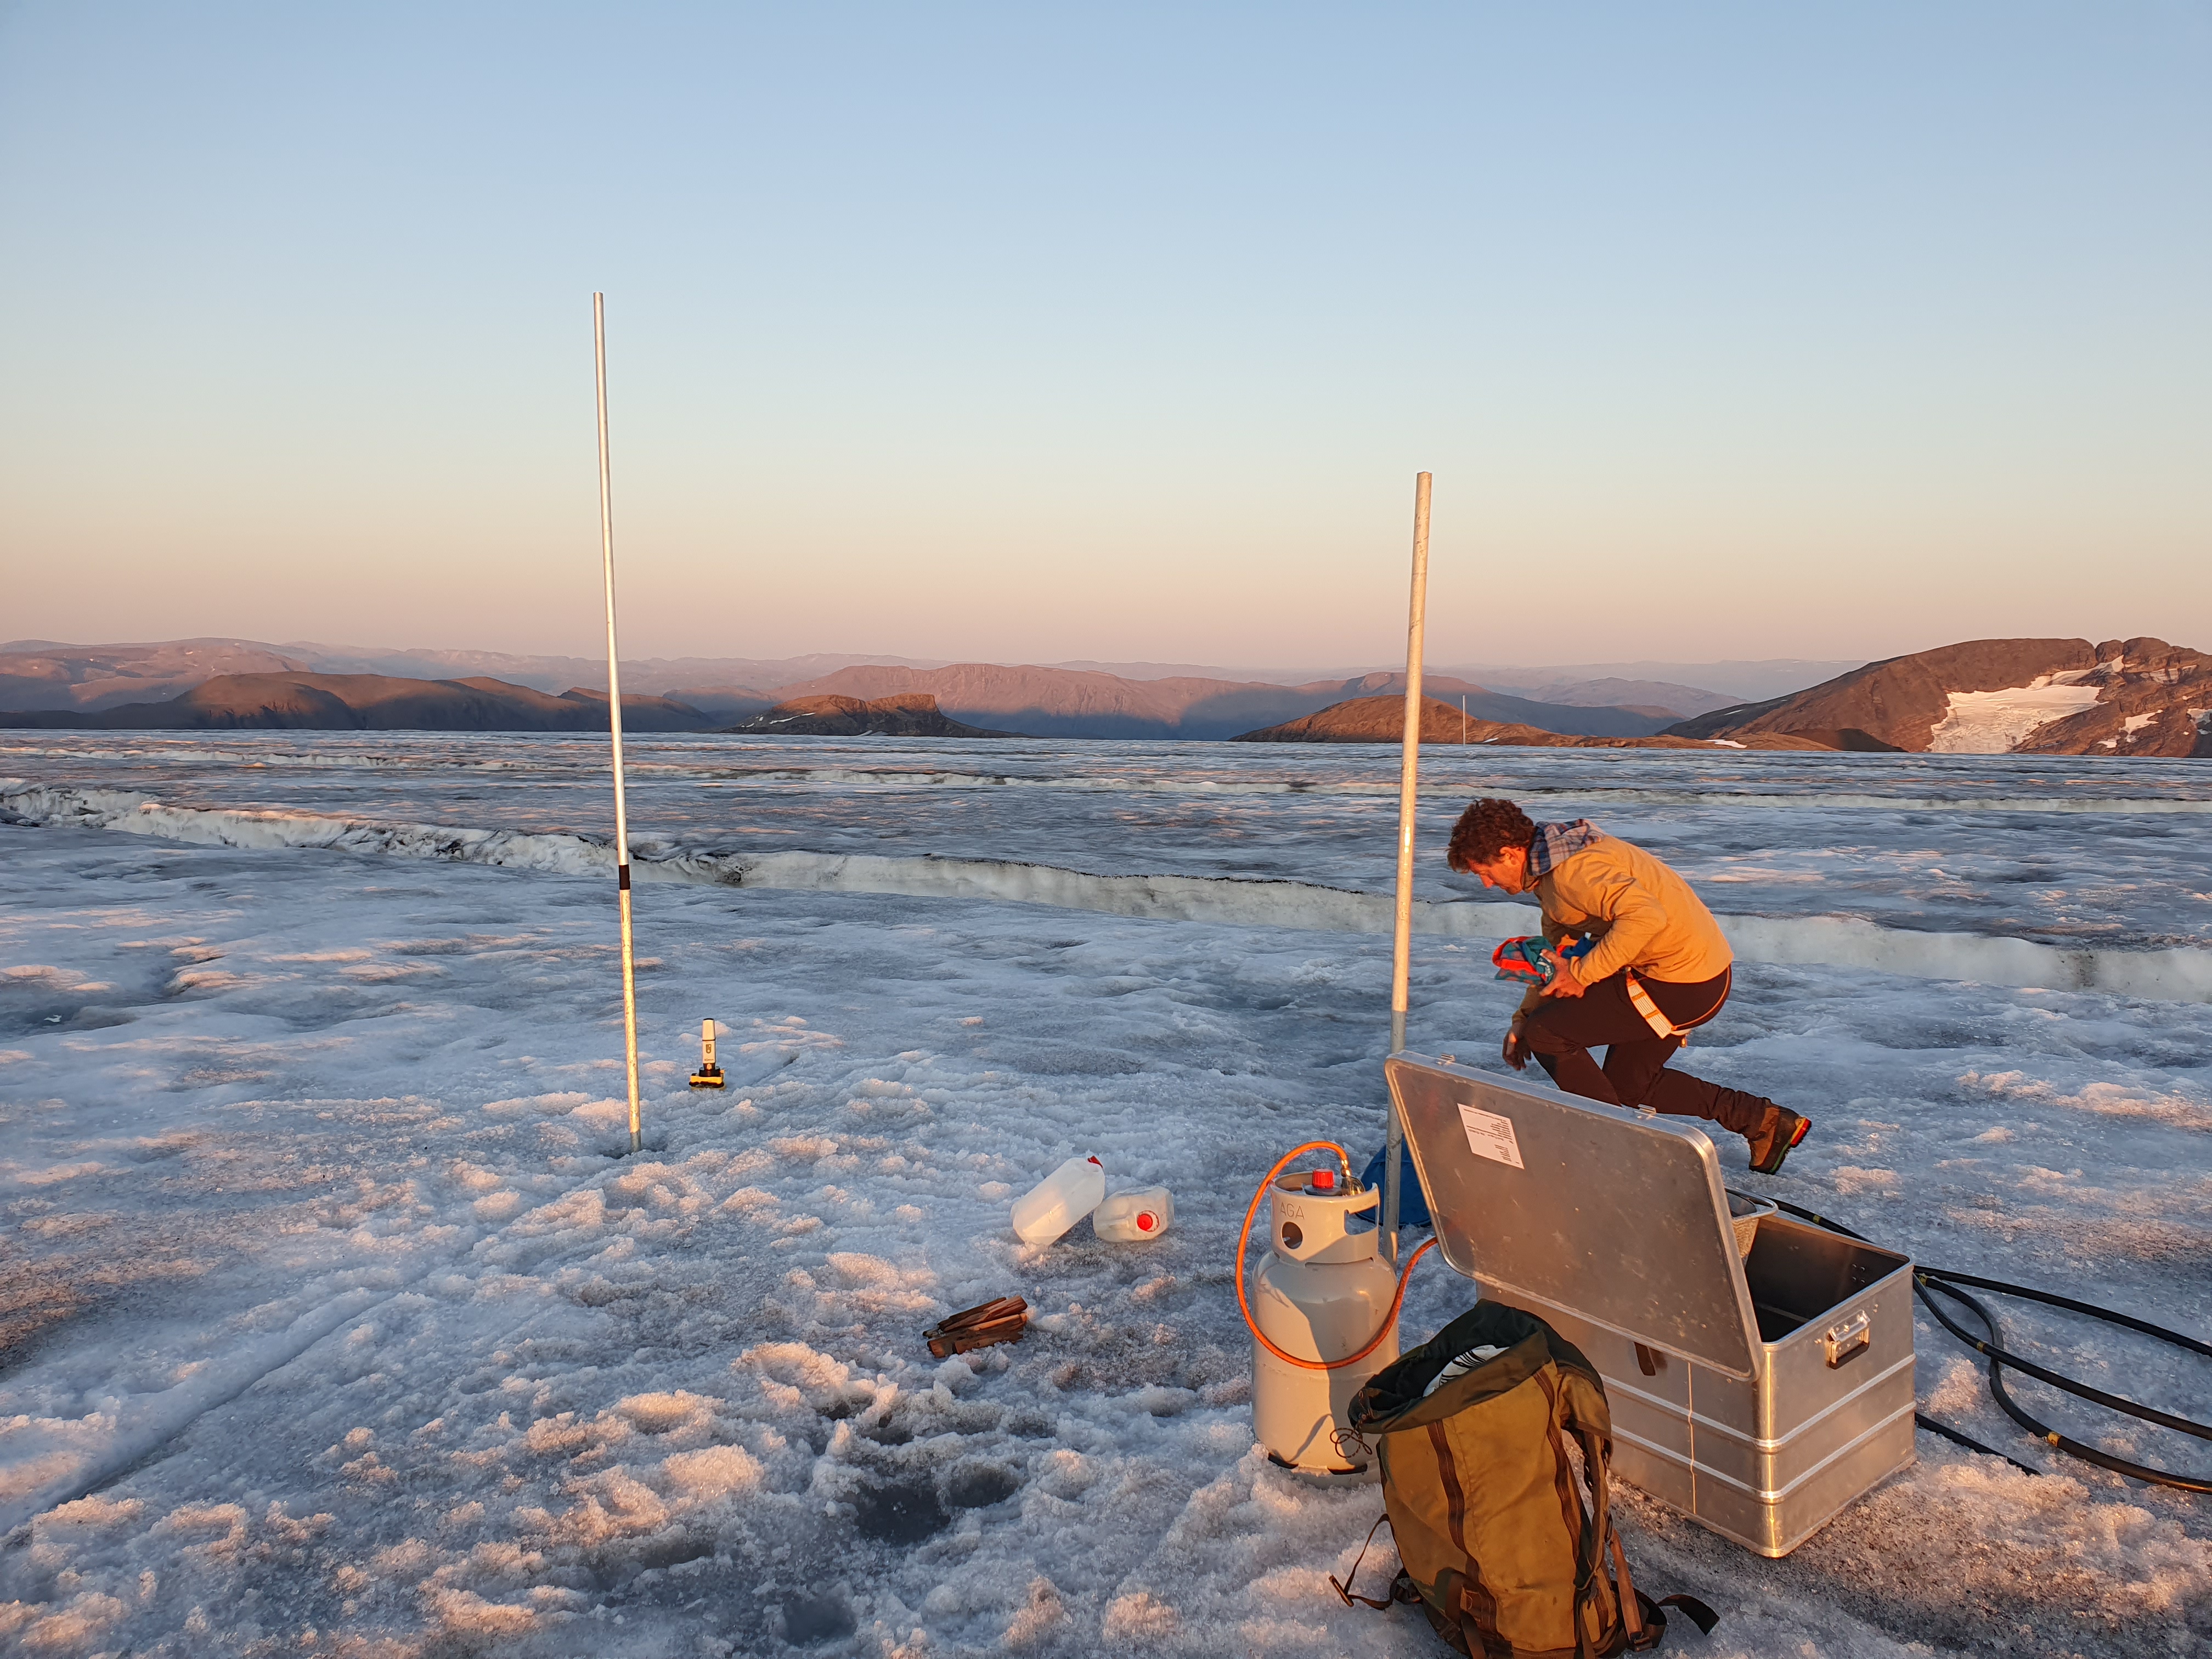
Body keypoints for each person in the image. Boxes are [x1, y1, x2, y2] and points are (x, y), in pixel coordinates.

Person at [1446, 797, 1810, 1175]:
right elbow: (1556, 959)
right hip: (1694, 975)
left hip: (1682, 982)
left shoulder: (1574, 872)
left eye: (1483, 872)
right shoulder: (1551, 870)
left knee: (1549, 1035)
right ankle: (1764, 1121)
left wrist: (1582, 976)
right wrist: (1524, 1016)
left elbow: (1645, 917)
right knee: (1627, 1085)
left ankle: (1613, 1153)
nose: (1486, 884)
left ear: (1509, 854)